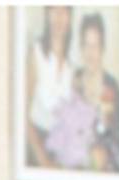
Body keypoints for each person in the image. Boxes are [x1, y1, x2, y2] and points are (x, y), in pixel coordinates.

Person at [25, 5, 75, 167]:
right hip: (33, 147)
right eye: (54, 10)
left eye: (64, 11)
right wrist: (43, 159)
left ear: (70, 16)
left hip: (58, 150)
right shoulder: (35, 54)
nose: (59, 17)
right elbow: (21, 114)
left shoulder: (71, 68)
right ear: (46, 14)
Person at [74, 12, 119, 173]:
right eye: (86, 45)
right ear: (81, 47)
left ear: (103, 48)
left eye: (95, 46)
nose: (90, 53)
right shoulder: (73, 83)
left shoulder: (113, 88)